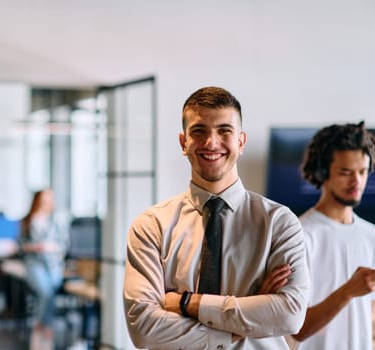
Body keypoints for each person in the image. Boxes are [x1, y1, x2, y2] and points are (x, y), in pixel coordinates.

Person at [123, 86, 309, 349]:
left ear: (241, 142)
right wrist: (245, 317)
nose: (211, 142)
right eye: (199, 131)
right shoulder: (151, 225)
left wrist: (187, 303)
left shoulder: (279, 223)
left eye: (224, 130)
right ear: (183, 143)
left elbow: (290, 315)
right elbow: (143, 328)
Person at [289, 122, 375, 349]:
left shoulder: (373, 236)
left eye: (362, 172)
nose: (357, 182)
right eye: (345, 172)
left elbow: (373, 316)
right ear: (323, 172)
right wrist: (349, 290)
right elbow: (298, 330)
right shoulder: (300, 234)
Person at [19, 189, 68, 350]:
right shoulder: (28, 220)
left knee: (50, 293)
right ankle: (44, 327)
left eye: (50, 198)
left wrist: (51, 247)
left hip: (54, 264)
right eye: (45, 198)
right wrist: (34, 247)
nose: (48, 201)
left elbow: (65, 244)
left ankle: (41, 325)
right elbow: (20, 245)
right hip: (35, 263)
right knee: (46, 292)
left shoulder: (57, 219)